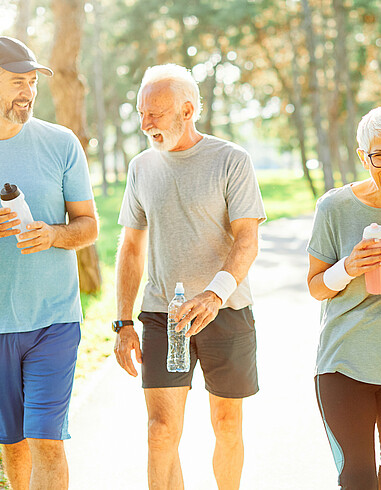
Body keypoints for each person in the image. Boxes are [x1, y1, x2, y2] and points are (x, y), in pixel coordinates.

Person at [113, 63, 266, 490]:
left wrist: (214, 296)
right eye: (142, 113)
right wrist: (124, 322)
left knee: (226, 422)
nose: (145, 124)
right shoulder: (141, 167)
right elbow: (130, 247)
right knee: (160, 430)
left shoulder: (231, 160)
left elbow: (247, 241)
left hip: (227, 311)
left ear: (187, 109)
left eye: (155, 114)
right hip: (164, 315)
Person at [307, 105, 381, 489]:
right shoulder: (334, 207)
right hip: (343, 366)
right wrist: (347, 267)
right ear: (363, 156)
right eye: (379, 155)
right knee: (356, 480)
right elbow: (315, 287)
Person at [0, 37, 98, 490]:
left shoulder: (60, 143)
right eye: (18, 81)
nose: (29, 91)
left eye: (32, 81)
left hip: (53, 322)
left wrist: (54, 234)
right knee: (13, 444)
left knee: (47, 440)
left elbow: (88, 226)